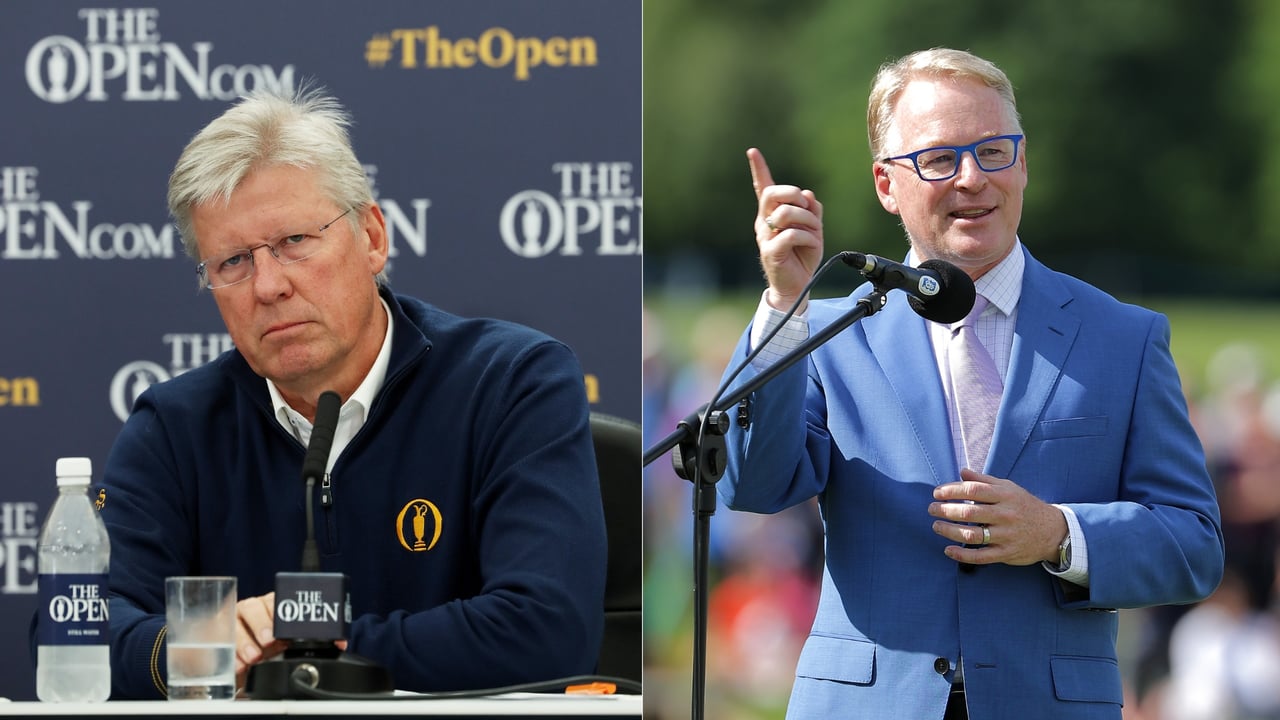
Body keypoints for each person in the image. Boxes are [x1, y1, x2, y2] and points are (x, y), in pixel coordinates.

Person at [717, 47, 1224, 719]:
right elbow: (752, 484)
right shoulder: (826, 332)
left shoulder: (1124, 338)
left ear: (1023, 164)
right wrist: (784, 307)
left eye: (994, 152)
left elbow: (1193, 544)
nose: (971, 179)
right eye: (938, 159)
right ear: (885, 185)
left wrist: (1057, 533)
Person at [72, 87, 607, 698]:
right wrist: (207, 645)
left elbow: (550, 629)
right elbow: (75, 634)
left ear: (372, 238)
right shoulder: (174, 426)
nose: (269, 285)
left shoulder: (513, 382)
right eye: (234, 262)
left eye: (295, 241)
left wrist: (305, 642)